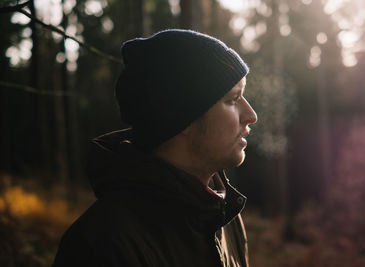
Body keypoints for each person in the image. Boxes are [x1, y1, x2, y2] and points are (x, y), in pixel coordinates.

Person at [52, 29, 257, 267]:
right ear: (183, 117)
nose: (251, 115)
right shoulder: (101, 245)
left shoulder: (224, 215)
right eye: (233, 99)